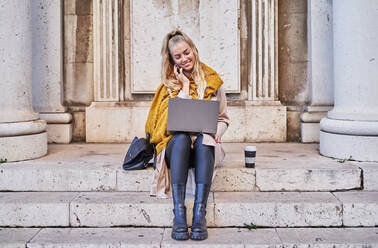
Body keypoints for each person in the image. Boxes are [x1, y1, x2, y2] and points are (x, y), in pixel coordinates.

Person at [145, 29, 230, 241]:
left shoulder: (213, 81)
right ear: (172, 61)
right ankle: (179, 216)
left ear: (193, 49)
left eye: (186, 52)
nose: (185, 59)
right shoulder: (168, 86)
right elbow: (163, 128)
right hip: (178, 150)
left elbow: (223, 119)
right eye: (178, 56)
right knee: (181, 138)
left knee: (203, 140)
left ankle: (199, 216)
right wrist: (184, 87)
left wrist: (216, 133)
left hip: (204, 148)